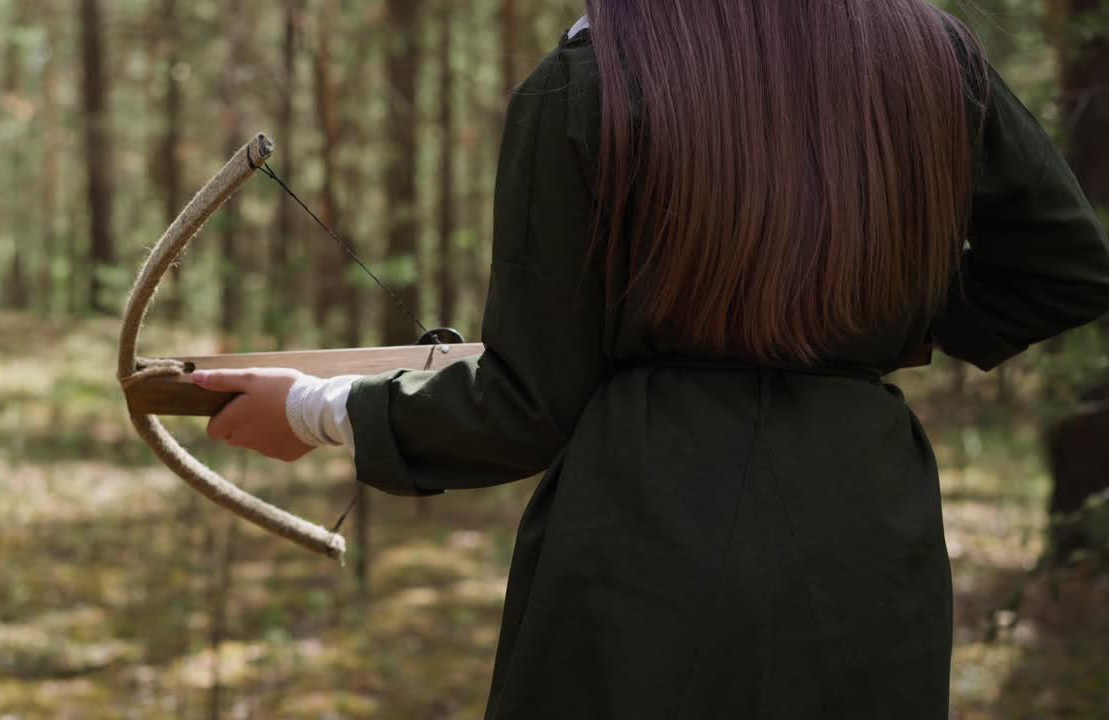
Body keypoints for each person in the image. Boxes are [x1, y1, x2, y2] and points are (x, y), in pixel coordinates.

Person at [193, 2, 1109, 717]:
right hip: (867, 536)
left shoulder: (586, 81)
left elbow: (523, 409)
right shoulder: (932, 57)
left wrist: (313, 410)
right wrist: (864, 318)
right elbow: (1065, 268)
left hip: (647, 549)